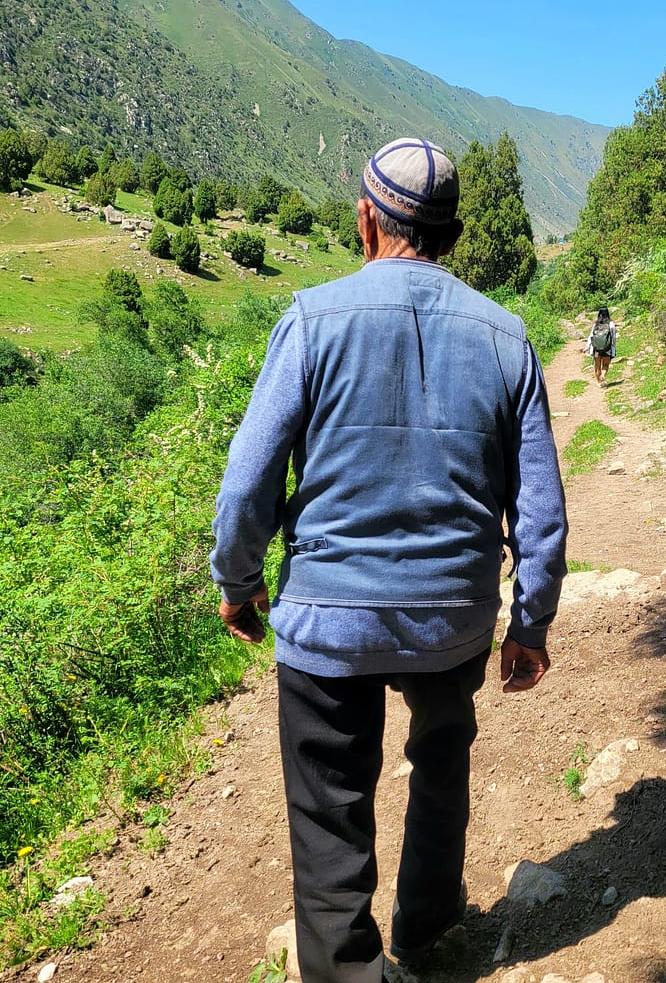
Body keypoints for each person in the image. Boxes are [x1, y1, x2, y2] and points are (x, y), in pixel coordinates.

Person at [209, 137, 568, 983]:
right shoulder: (507, 338)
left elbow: (249, 478)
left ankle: (347, 969)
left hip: (329, 616)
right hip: (452, 616)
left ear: (368, 220)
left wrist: (239, 581)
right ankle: (429, 928)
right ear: (453, 235)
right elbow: (542, 508)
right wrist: (531, 623)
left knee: (329, 805)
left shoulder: (312, 319)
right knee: (442, 763)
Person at [587, 305, 616, 386]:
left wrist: (588, 347)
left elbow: (591, 336)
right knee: (605, 365)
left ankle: (599, 382)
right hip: (607, 349)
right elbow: (613, 337)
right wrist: (613, 346)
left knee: (597, 366)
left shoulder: (596, 324)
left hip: (596, 349)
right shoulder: (611, 324)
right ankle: (603, 375)